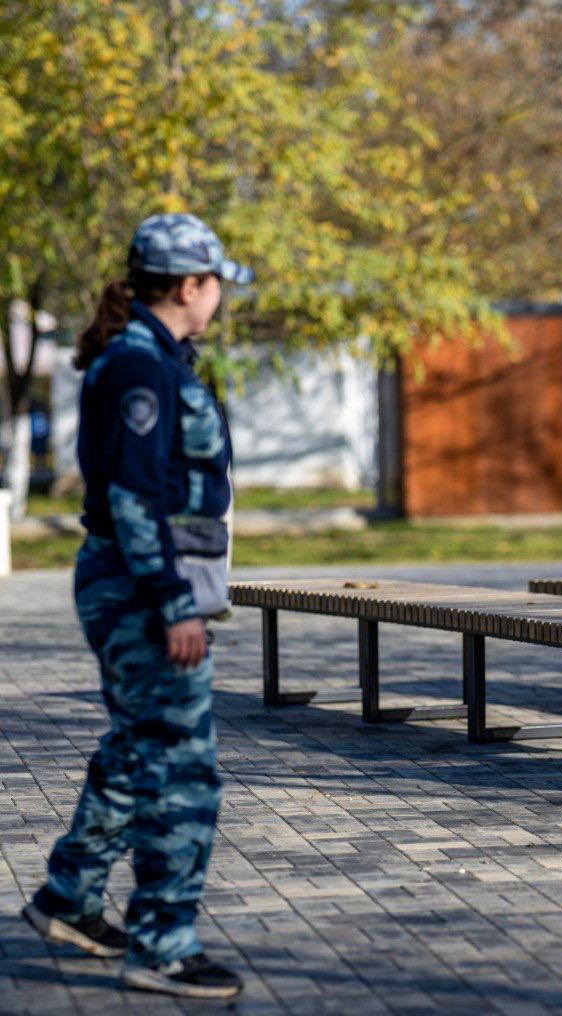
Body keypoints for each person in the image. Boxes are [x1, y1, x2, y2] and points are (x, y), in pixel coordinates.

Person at [21, 213, 252, 1000]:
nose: (220, 297)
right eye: (216, 284)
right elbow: (132, 494)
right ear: (189, 286)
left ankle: (69, 899)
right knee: (181, 770)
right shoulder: (139, 367)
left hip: (141, 583)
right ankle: (162, 944)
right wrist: (172, 603)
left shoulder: (155, 359)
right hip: (141, 590)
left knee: (136, 749)